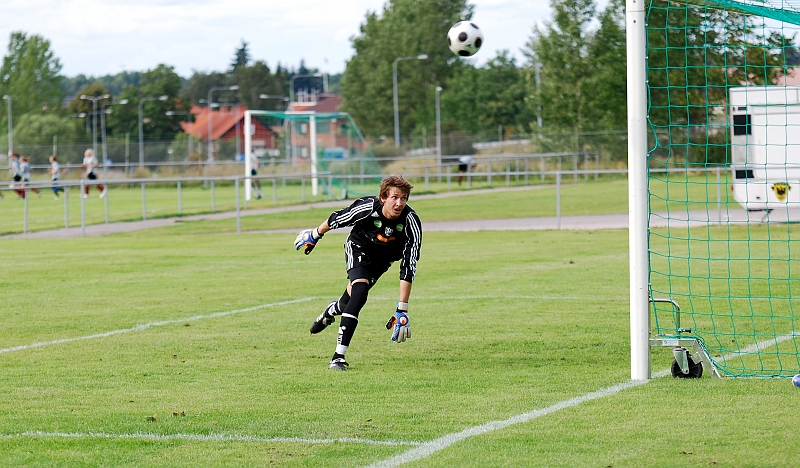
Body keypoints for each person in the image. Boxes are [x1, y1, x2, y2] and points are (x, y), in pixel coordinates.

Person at [294, 175, 422, 371]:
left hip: (382, 261)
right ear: (383, 198)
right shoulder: (367, 207)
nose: (399, 203)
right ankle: (338, 357)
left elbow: (409, 266)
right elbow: (338, 218)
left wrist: (402, 309)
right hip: (358, 247)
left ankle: (332, 310)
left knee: (349, 301)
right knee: (360, 292)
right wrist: (315, 234)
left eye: (404, 198)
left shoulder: (411, 223)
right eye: (395, 197)